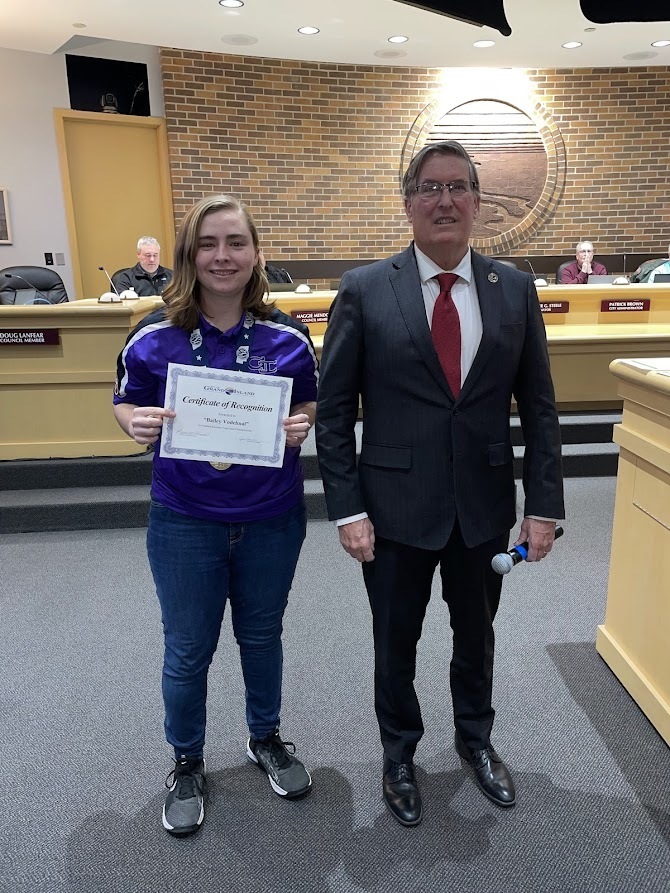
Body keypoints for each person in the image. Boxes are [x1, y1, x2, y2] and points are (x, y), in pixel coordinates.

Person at [316, 140, 564, 828]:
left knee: (476, 635)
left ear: (479, 203)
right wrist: (346, 509)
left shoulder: (512, 288)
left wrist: (543, 506)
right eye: (429, 188)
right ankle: (399, 753)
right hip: (391, 509)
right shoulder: (365, 289)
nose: (445, 200)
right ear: (408, 203)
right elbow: (334, 411)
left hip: (483, 505)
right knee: (394, 641)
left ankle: (476, 740)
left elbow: (539, 407)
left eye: (459, 187)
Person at [112, 195, 319, 837]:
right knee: (187, 648)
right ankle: (186, 762)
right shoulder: (153, 335)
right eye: (208, 244)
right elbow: (124, 402)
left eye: (235, 242)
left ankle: (266, 739)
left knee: (261, 637)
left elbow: (311, 407)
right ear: (188, 254)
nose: (222, 256)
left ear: (255, 253)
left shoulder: (287, 337)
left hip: (270, 516)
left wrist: (299, 426)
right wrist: (133, 422)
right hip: (184, 520)